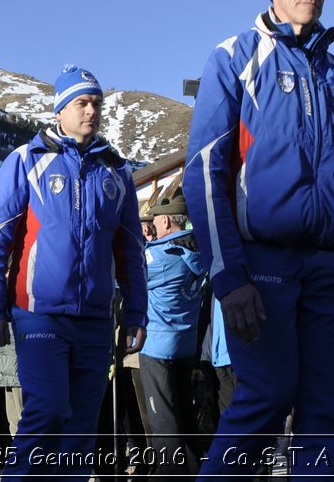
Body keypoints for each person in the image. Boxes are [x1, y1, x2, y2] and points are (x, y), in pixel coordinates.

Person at [184, 0, 334, 478]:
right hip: (263, 265)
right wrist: (227, 274)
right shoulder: (235, 58)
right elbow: (204, 173)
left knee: (327, 411)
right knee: (267, 396)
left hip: (333, 267)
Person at [0, 65, 147, 482]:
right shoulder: (27, 160)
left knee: (81, 432)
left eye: (96, 104)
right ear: (60, 110)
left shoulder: (116, 172)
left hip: (94, 320)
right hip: (39, 314)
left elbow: (131, 249)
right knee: (46, 413)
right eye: (82, 103)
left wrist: (137, 314)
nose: (91, 111)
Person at [136, 184, 206, 477]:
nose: (152, 224)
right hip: (185, 343)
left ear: (166, 221)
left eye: (155, 219)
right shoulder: (194, 250)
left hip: (157, 347)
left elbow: (126, 280)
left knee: (163, 421)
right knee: (185, 417)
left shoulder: (161, 255)